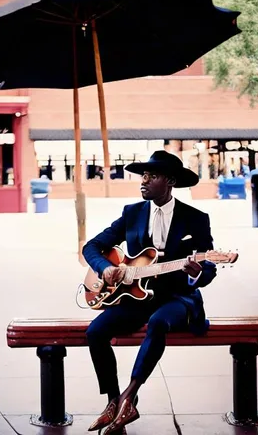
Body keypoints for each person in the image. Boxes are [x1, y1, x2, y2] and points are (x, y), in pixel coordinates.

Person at [83, 151, 216, 434]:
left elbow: (209, 267)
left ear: (169, 181)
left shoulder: (195, 218)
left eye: (151, 176)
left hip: (178, 298)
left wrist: (197, 274)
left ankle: (129, 397)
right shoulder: (132, 214)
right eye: (143, 175)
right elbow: (91, 247)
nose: (143, 181)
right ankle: (112, 401)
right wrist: (106, 268)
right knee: (95, 332)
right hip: (137, 296)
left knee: (158, 322)